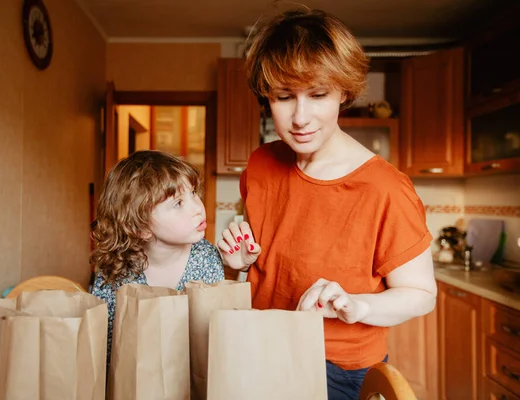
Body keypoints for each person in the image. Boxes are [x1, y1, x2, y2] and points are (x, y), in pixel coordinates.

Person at [217, 8, 437, 400]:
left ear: (344, 92)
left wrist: (359, 306)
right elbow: (268, 260)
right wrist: (238, 262)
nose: (301, 117)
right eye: (284, 97)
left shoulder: (386, 188)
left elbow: (422, 294)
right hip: (257, 343)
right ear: (267, 99)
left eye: (317, 95)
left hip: (334, 367)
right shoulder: (260, 164)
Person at [90, 150, 225, 363]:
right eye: (178, 203)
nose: (198, 208)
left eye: (193, 193)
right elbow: (104, 351)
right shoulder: (115, 275)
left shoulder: (206, 258)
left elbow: (213, 339)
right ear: (141, 228)